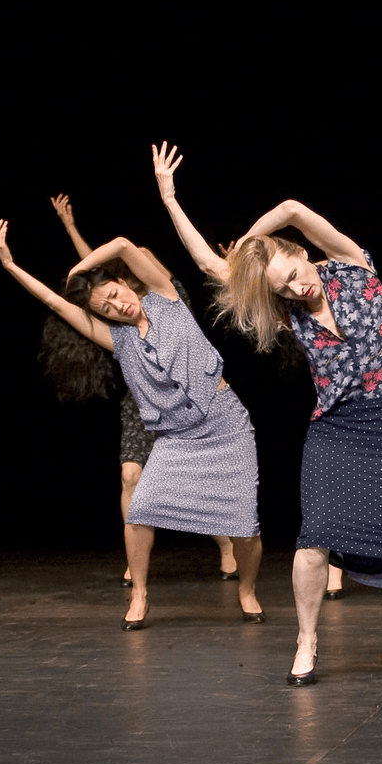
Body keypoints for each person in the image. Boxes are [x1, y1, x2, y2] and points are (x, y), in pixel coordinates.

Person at [153, 143, 382, 683]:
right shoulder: (289, 313)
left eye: (295, 272)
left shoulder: (352, 263)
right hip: (335, 429)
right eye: (283, 287)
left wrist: (253, 246)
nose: (297, 286)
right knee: (312, 545)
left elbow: (294, 208)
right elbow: (211, 267)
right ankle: (306, 643)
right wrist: (170, 199)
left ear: (302, 253)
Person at [0, 220, 264, 630]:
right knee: (140, 512)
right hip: (176, 438)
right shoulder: (116, 339)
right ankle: (139, 593)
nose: (118, 307)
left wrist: (78, 271)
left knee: (245, 525)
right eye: (106, 309)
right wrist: (11, 266)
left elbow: (119, 242)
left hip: (225, 423)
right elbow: (54, 302)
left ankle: (247, 590)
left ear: (123, 282)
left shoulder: (165, 296)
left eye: (115, 295)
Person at [48, 194, 240, 585]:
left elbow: (119, 260)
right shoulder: (118, 307)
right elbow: (93, 285)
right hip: (141, 403)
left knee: (194, 480)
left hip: (185, 401)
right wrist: (71, 229)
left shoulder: (170, 296)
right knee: (131, 475)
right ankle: (135, 560)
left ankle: (225, 546)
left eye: (147, 257)